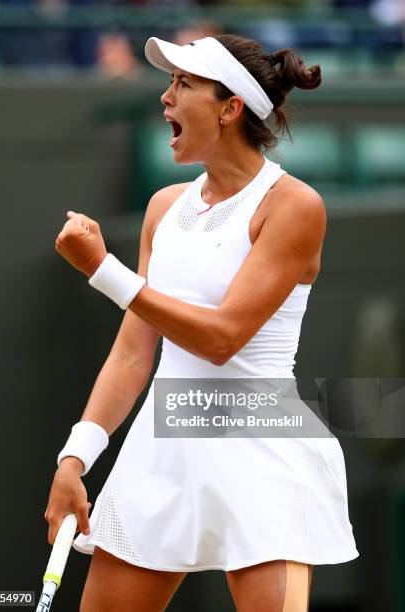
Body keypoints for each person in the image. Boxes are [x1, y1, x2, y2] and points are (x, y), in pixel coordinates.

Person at [45, 34, 359, 611]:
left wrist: (102, 271)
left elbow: (221, 338)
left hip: (263, 453)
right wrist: (75, 457)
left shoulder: (293, 206)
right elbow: (134, 353)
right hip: (162, 449)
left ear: (229, 107)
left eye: (183, 84)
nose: (165, 98)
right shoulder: (163, 207)